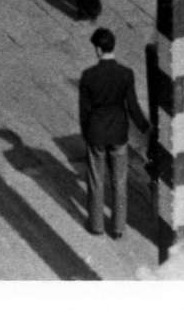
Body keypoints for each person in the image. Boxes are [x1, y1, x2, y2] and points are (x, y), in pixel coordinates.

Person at [75, 27, 144, 238]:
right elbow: (132, 106)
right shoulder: (125, 74)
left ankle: (96, 225)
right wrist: (145, 127)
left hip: (96, 132)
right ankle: (118, 227)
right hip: (118, 133)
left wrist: (87, 134)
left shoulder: (88, 76)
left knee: (96, 180)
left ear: (97, 49)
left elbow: (84, 111)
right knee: (119, 181)